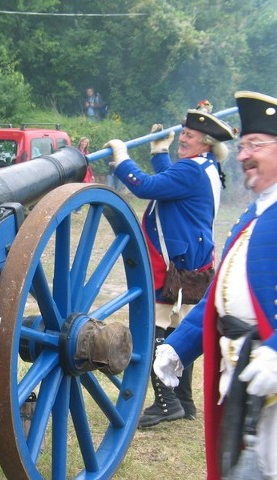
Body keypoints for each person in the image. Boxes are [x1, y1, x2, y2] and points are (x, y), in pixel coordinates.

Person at [155, 91, 277, 480]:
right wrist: (179, 346)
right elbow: (219, 295)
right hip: (247, 384)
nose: (242, 155)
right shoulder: (255, 214)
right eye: (243, 146)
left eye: (255, 145)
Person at [105, 103, 235, 428]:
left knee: (155, 331)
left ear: (205, 141)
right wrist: (160, 154)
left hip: (174, 265)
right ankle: (185, 401)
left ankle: (166, 403)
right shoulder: (206, 167)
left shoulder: (190, 170)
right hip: (196, 263)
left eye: (189, 136)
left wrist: (122, 160)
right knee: (179, 329)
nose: (183, 140)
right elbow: (170, 180)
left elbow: (147, 187)